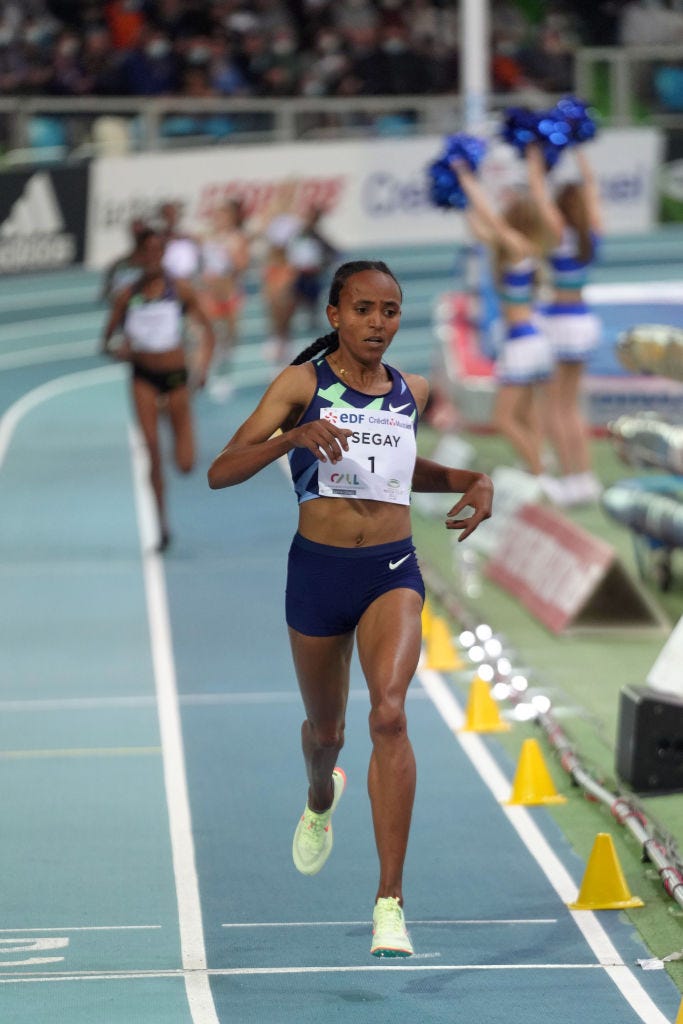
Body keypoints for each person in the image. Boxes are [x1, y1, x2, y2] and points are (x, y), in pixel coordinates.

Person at [207, 260, 493, 958]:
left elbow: (398, 471)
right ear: (334, 314)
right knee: (326, 733)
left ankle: (388, 902)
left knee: (389, 714)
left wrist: (470, 480)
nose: (376, 323)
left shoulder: (411, 391)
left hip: (388, 570)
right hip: (316, 573)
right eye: (363, 309)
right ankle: (317, 795)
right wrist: (292, 438)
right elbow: (221, 469)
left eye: (389, 311)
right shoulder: (301, 385)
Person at [450, 158, 559, 495]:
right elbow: (480, 228)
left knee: (504, 418)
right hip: (530, 340)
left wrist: (466, 178)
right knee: (526, 412)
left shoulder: (518, 247)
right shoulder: (516, 250)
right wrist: (457, 199)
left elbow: (491, 222)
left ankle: (540, 476)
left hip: (522, 344)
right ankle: (538, 463)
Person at [102, 229, 215, 551]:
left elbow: (208, 332)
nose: (152, 257)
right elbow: (105, 342)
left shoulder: (178, 289)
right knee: (151, 448)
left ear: (163, 254)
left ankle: (172, 417)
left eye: (157, 251)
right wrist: (119, 350)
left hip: (176, 377)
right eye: (146, 252)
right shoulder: (127, 295)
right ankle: (162, 525)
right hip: (143, 377)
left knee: (185, 464)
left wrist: (203, 369)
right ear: (138, 256)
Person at [526, 142, 603, 505]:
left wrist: (534, 158)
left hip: (558, 322)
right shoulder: (592, 233)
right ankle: (585, 476)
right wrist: (581, 154)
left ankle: (571, 479)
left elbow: (539, 196)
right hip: (584, 320)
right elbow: (593, 193)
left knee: (554, 406)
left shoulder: (558, 231)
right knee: (572, 406)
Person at [199, 198, 251, 400]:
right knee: (209, 336)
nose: (220, 219)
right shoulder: (206, 238)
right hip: (209, 294)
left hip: (230, 294)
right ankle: (205, 374)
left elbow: (242, 265)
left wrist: (231, 256)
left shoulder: (237, 239)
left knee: (230, 338)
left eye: (224, 215)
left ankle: (224, 376)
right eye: (218, 215)